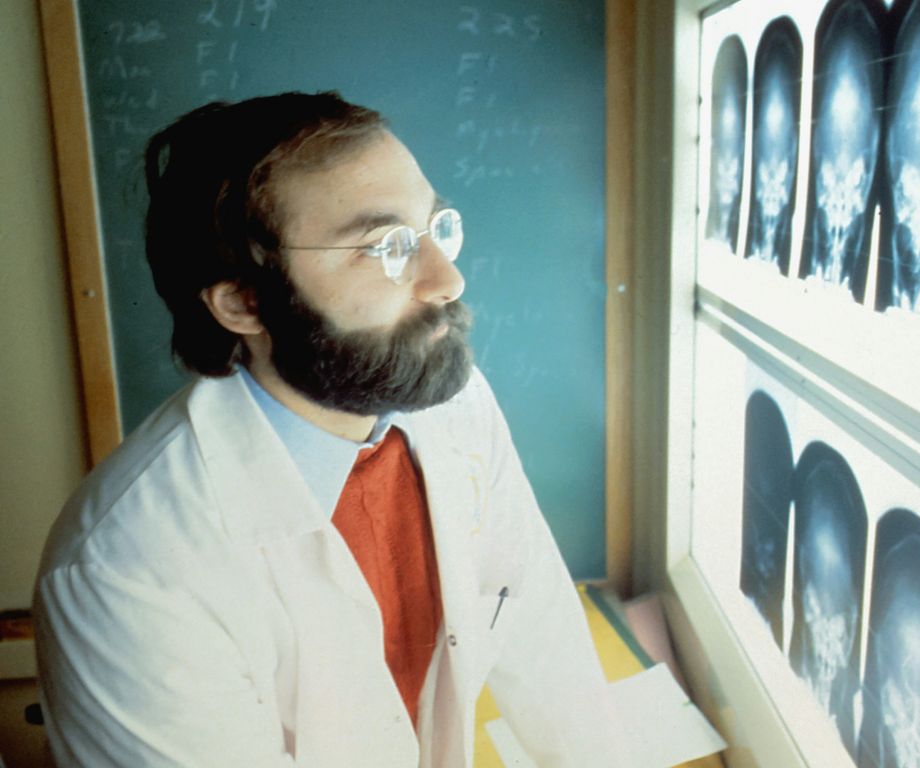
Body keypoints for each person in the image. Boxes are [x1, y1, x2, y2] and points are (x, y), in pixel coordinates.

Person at [33, 92, 627, 767]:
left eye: (435, 227)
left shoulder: (450, 405)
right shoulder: (127, 571)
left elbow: (542, 638)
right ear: (243, 301)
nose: (448, 280)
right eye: (385, 247)